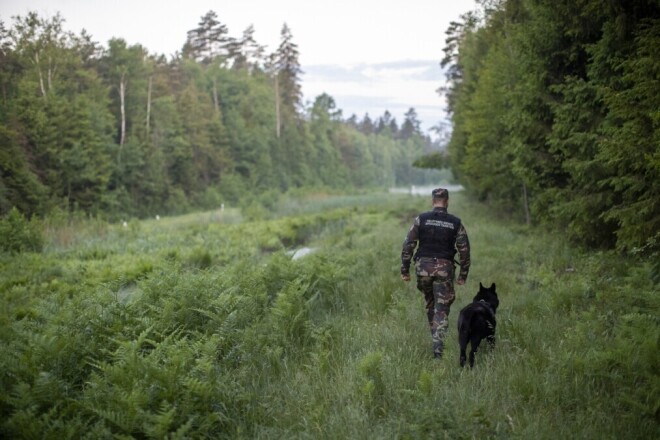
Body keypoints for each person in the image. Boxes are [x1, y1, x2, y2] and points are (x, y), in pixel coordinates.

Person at [400, 187, 471, 359]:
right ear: (447, 201)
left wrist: (405, 269)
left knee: (430, 303)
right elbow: (464, 251)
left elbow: (408, 244)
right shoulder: (455, 223)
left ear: (433, 201)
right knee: (441, 309)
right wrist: (463, 275)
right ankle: (438, 351)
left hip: (423, 270)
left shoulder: (421, 219)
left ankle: (435, 336)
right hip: (444, 270)